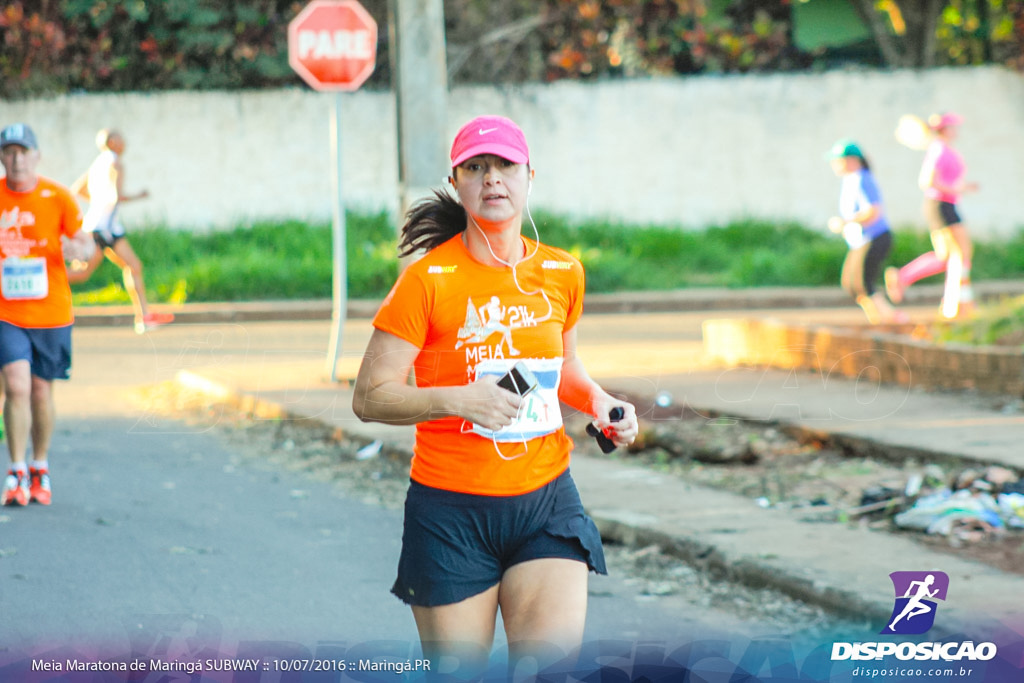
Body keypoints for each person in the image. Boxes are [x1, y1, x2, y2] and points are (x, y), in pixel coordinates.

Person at [351, 115, 639, 676]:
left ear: (530, 175)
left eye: (505, 166)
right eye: (476, 168)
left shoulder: (562, 272)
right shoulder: (428, 281)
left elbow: (568, 368)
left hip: (545, 503)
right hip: (451, 511)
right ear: (457, 183)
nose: (493, 180)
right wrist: (459, 400)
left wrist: (601, 404)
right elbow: (370, 396)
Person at [0, 123, 95, 507]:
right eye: (9, 151)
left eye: (24, 151)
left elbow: (85, 244)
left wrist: (78, 249)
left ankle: (40, 465)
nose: (17, 158)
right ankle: (16, 469)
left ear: (37, 156)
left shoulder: (58, 197)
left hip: (52, 311)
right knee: (17, 386)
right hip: (6, 311)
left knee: (41, 390)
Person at [68, 128, 173, 334]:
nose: (125, 140)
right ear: (113, 142)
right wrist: (140, 196)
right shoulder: (116, 163)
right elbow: (117, 197)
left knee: (133, 266)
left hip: (105, 228)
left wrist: (99, 204)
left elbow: (77, 190)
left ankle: (144, 317)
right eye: (121, 137)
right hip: (103, 229)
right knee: (82, 273)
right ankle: (39, 281)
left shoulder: (97, 164)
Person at [886, 112, 979, 319]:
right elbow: (927, 181)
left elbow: (946, 181)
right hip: (941, 205)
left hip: (944, 205)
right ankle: (959, 305)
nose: (957, 130)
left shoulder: (942, 149)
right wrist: (954, 189)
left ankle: (906, 278)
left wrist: (962, 187)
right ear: (944, 129)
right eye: (953, 127)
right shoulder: (938, 150)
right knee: (961, 253)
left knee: (947, 257)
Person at [826, 139, 906, 324]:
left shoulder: (862, 178)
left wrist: (845, 222)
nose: (834, 164)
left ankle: (892, 319)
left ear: (853, 160)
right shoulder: (850, 180)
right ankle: (879, 321)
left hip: (875, 237)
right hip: (860, 241)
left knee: (863, 283)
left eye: (838, 160)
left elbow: (873, 211)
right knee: (851, 285)